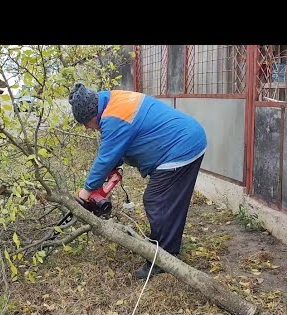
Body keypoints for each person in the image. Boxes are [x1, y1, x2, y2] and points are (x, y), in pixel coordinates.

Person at [68, 83, 207, 280]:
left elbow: (105, 158)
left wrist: (85, 193)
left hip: (181, 146)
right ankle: (169, 248)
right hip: (186, 139)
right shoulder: (111, 100)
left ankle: (162, 260)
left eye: (85, 123)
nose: (86, 128)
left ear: (91, 115)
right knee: (168, 202)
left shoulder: (114, 117)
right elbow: (119, 146)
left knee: (157, 200)